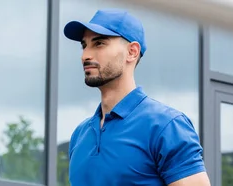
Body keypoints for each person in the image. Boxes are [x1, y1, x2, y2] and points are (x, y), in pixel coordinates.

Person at [63, 9, 211, 186]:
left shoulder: (166, 126)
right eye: (84, 45)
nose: (85, 55)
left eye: (99, 43)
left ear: (132, 52)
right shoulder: (80, 135)